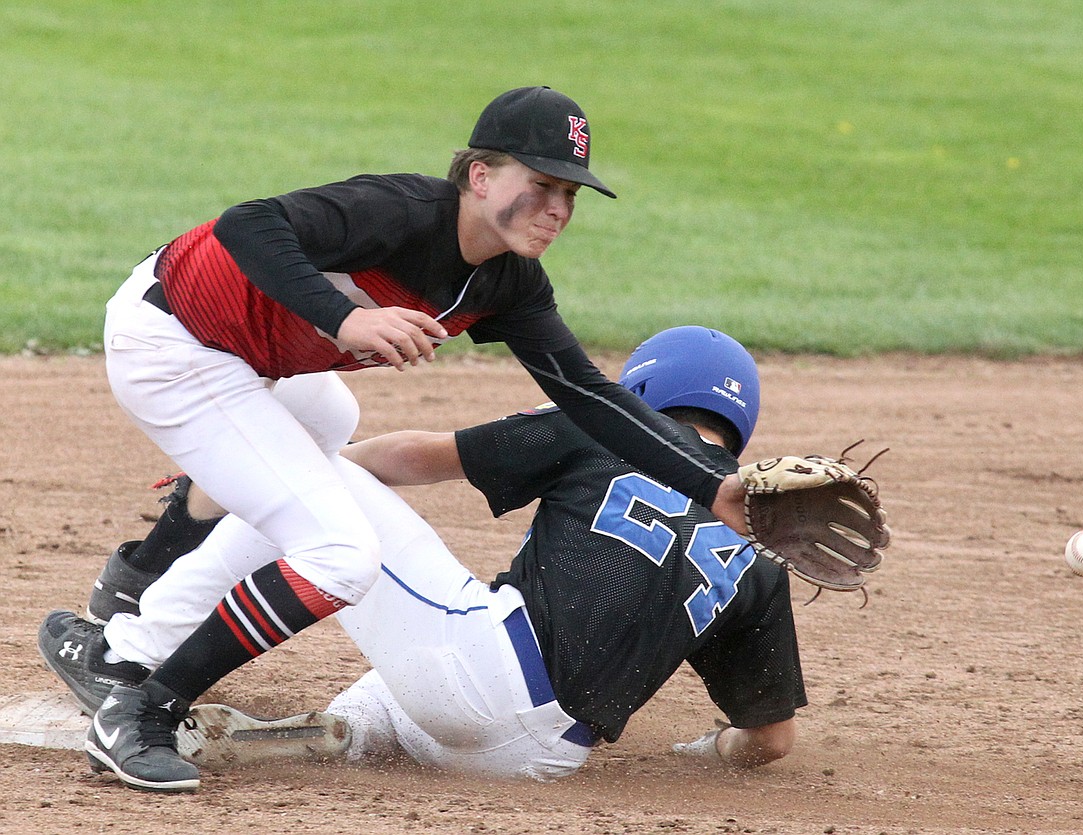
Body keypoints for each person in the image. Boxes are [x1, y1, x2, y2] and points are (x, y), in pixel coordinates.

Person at [75, 85, 757, 792]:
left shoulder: (511, 283)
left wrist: (715, 487)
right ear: (481, 176)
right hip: (175, 342)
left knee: (326, 427)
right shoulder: (403, 212)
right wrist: (343, 319)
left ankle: (126, 638)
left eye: (570, 194)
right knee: (340, 553)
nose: (559, 209)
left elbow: (588, 393)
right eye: (543, 185)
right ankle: (138, 712)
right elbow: (249, 225)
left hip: (248, 359)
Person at [42, 327, 805, 785]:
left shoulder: (608, 424)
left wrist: (278, 473)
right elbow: (769, 741)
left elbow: (416, 458)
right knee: (400, 697)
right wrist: (700, 748)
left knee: (307, 470)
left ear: (642, 387)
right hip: (544, 759)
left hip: (480, 673)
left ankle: (130, 653)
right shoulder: (759, 557)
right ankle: (343, 731)